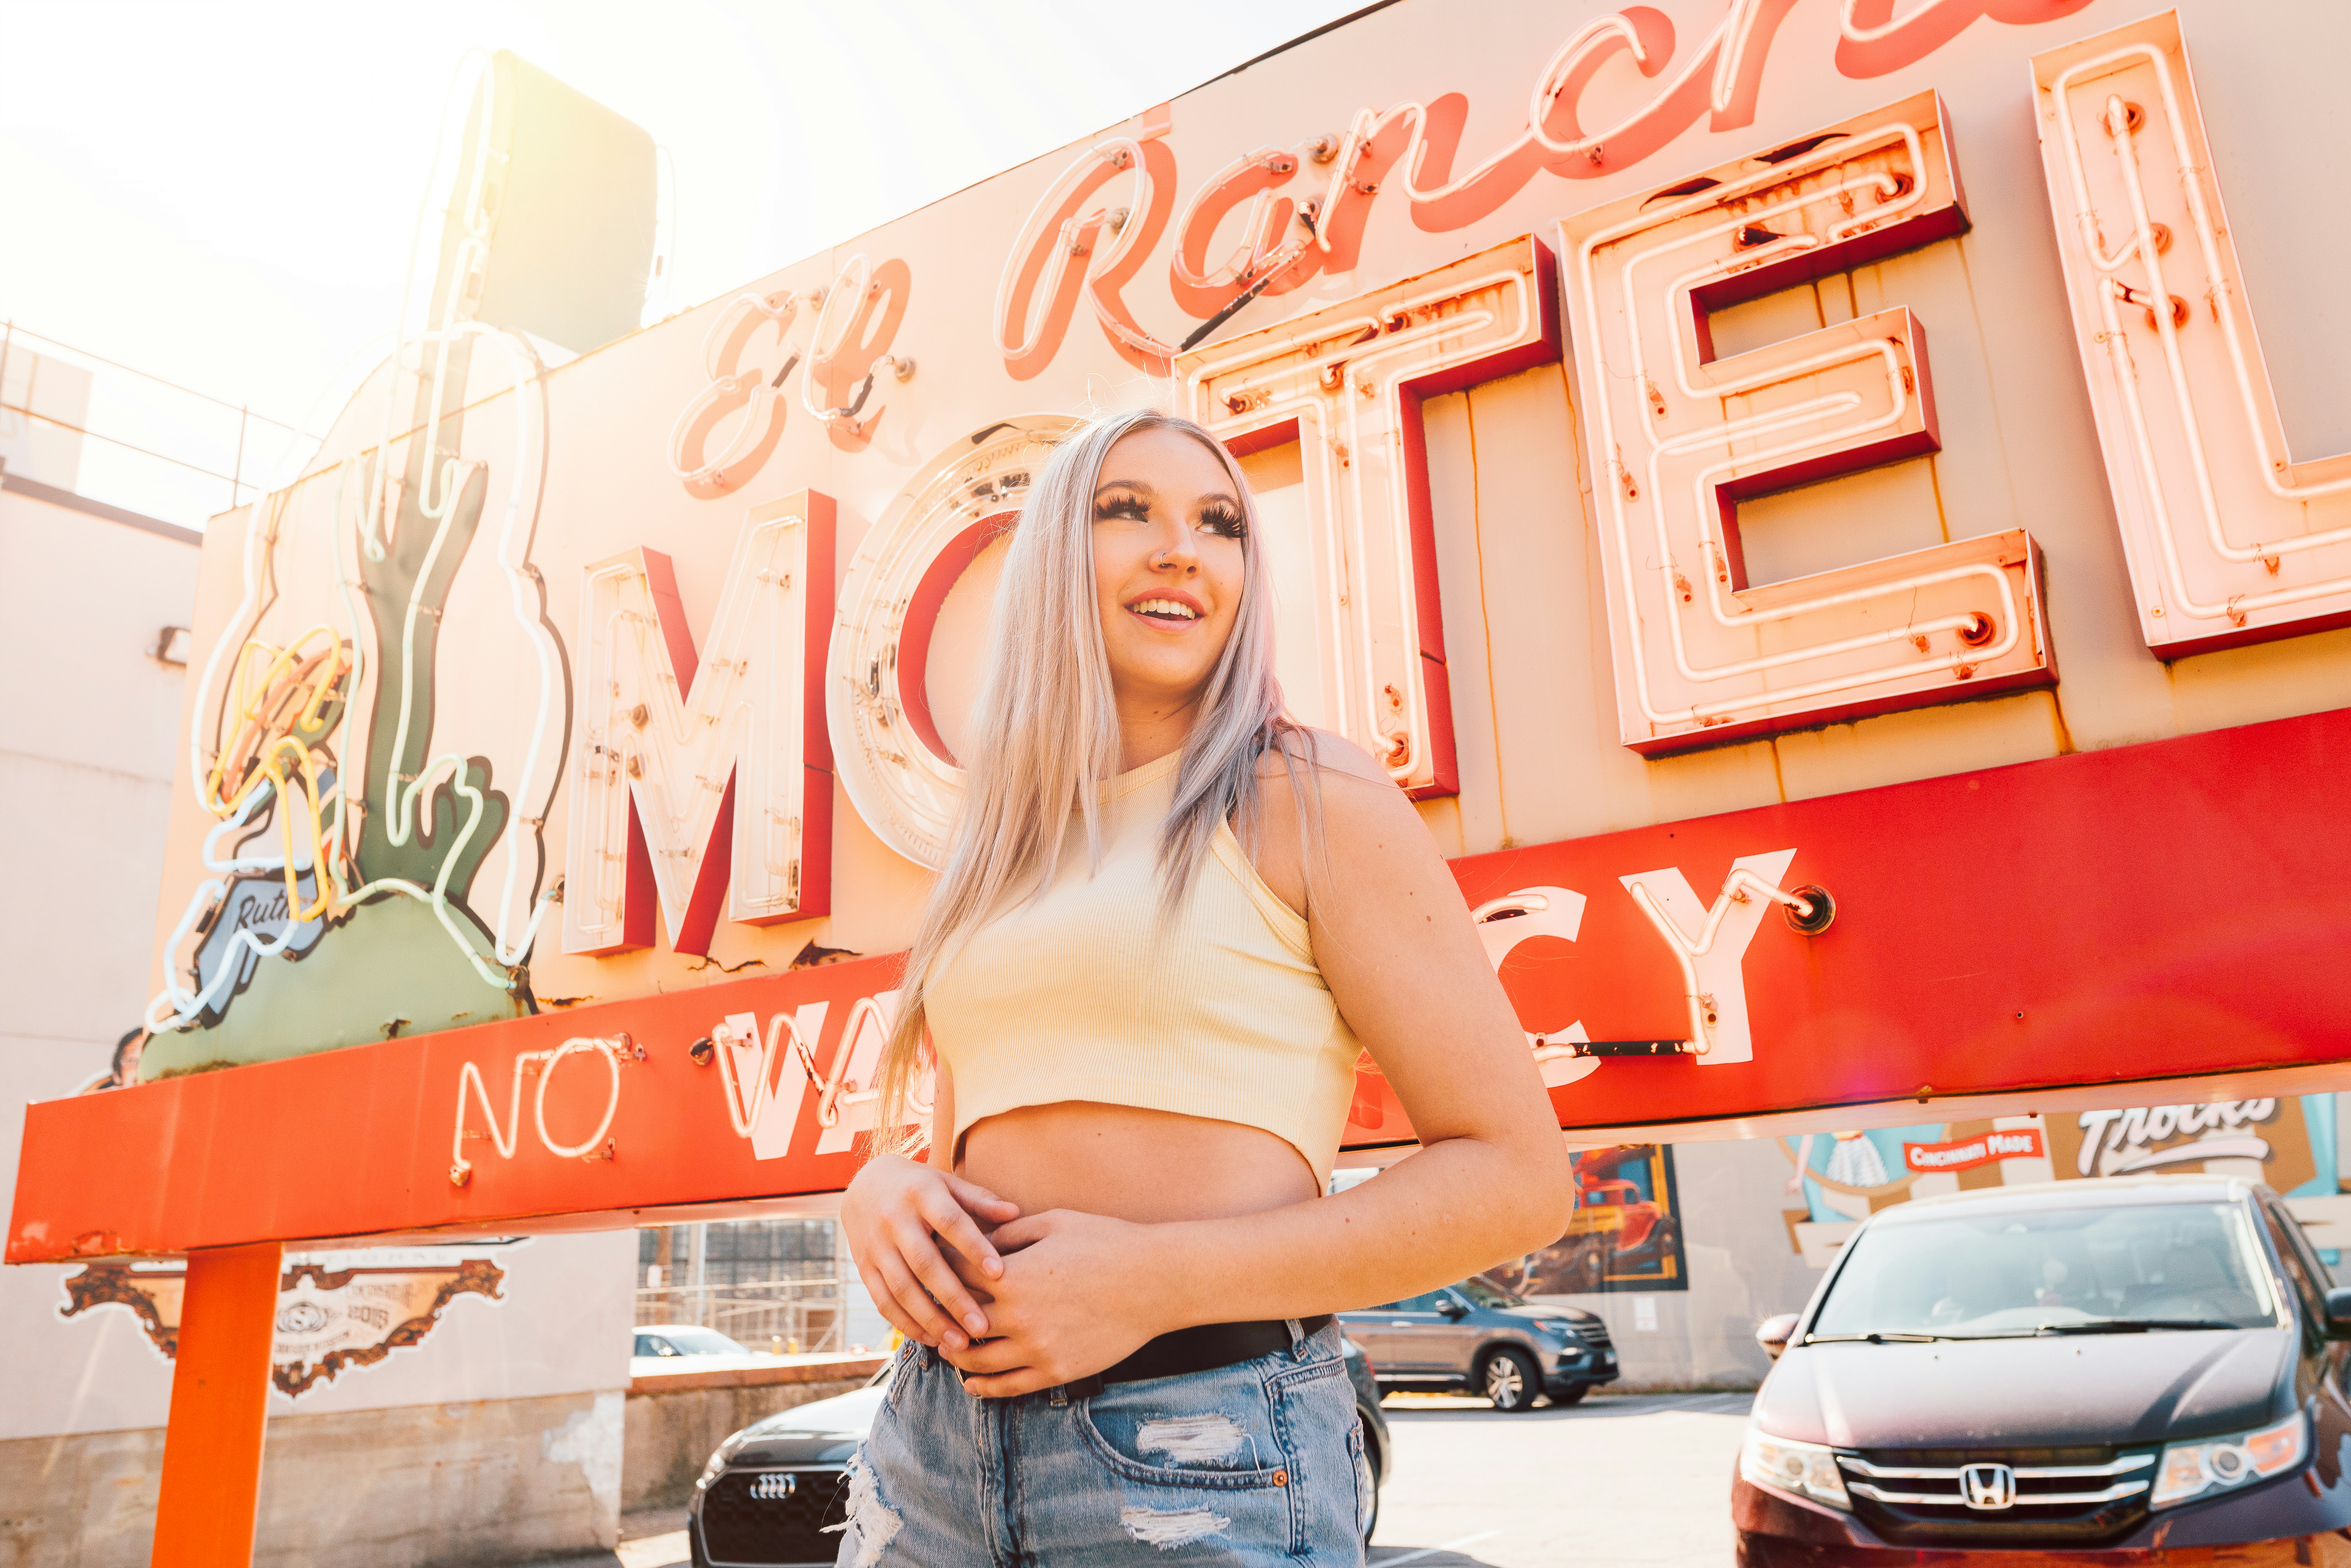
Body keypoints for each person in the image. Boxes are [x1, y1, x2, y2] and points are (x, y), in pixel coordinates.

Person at [836, 408, 1571, 1566]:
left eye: (1219, 524)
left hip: (1200, 1443)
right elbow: (972, 1146)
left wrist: (1153, 1280)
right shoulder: (1001, 844)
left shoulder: (1307, 795)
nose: (1182, 548)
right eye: (1126, 511)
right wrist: (885, 1194)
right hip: (927, 1445)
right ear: (1048, 564)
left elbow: (1519, 1181)